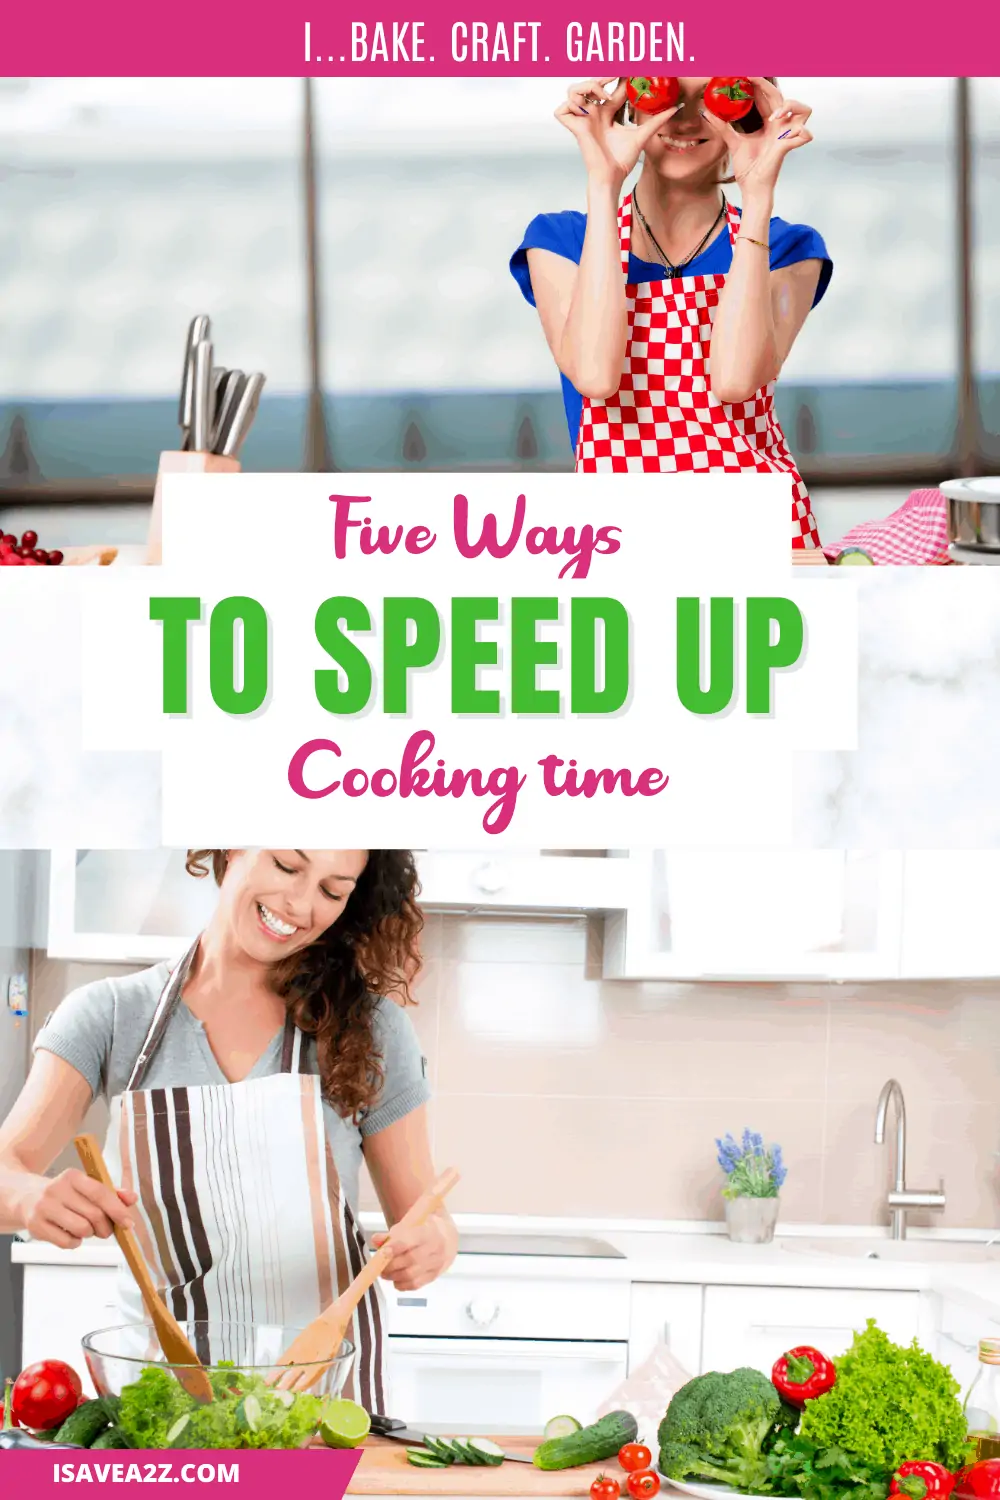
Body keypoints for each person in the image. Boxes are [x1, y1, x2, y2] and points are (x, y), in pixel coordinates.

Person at [0, 848, 457, 1413]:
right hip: (167, 1400)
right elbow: (5, 1173)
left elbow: (424, 1215)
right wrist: (29, 1198)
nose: (300, 904)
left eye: (332, 891)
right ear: (231, 845)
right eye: (288, 867)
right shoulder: (112, 1015)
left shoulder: (372, 1027)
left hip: (322, 1398)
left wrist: (434, 1243)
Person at [510, 77, 833, 549]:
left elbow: (736, 381)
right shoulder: (561, 243)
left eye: (711, 98)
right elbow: (596, 377)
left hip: (756, 533)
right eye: (664, 95)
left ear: (748, 110)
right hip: (620, 535)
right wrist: (603, 183)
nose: (683, 119)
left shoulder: (786, 248)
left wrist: (758, 193)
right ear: (629, 105)